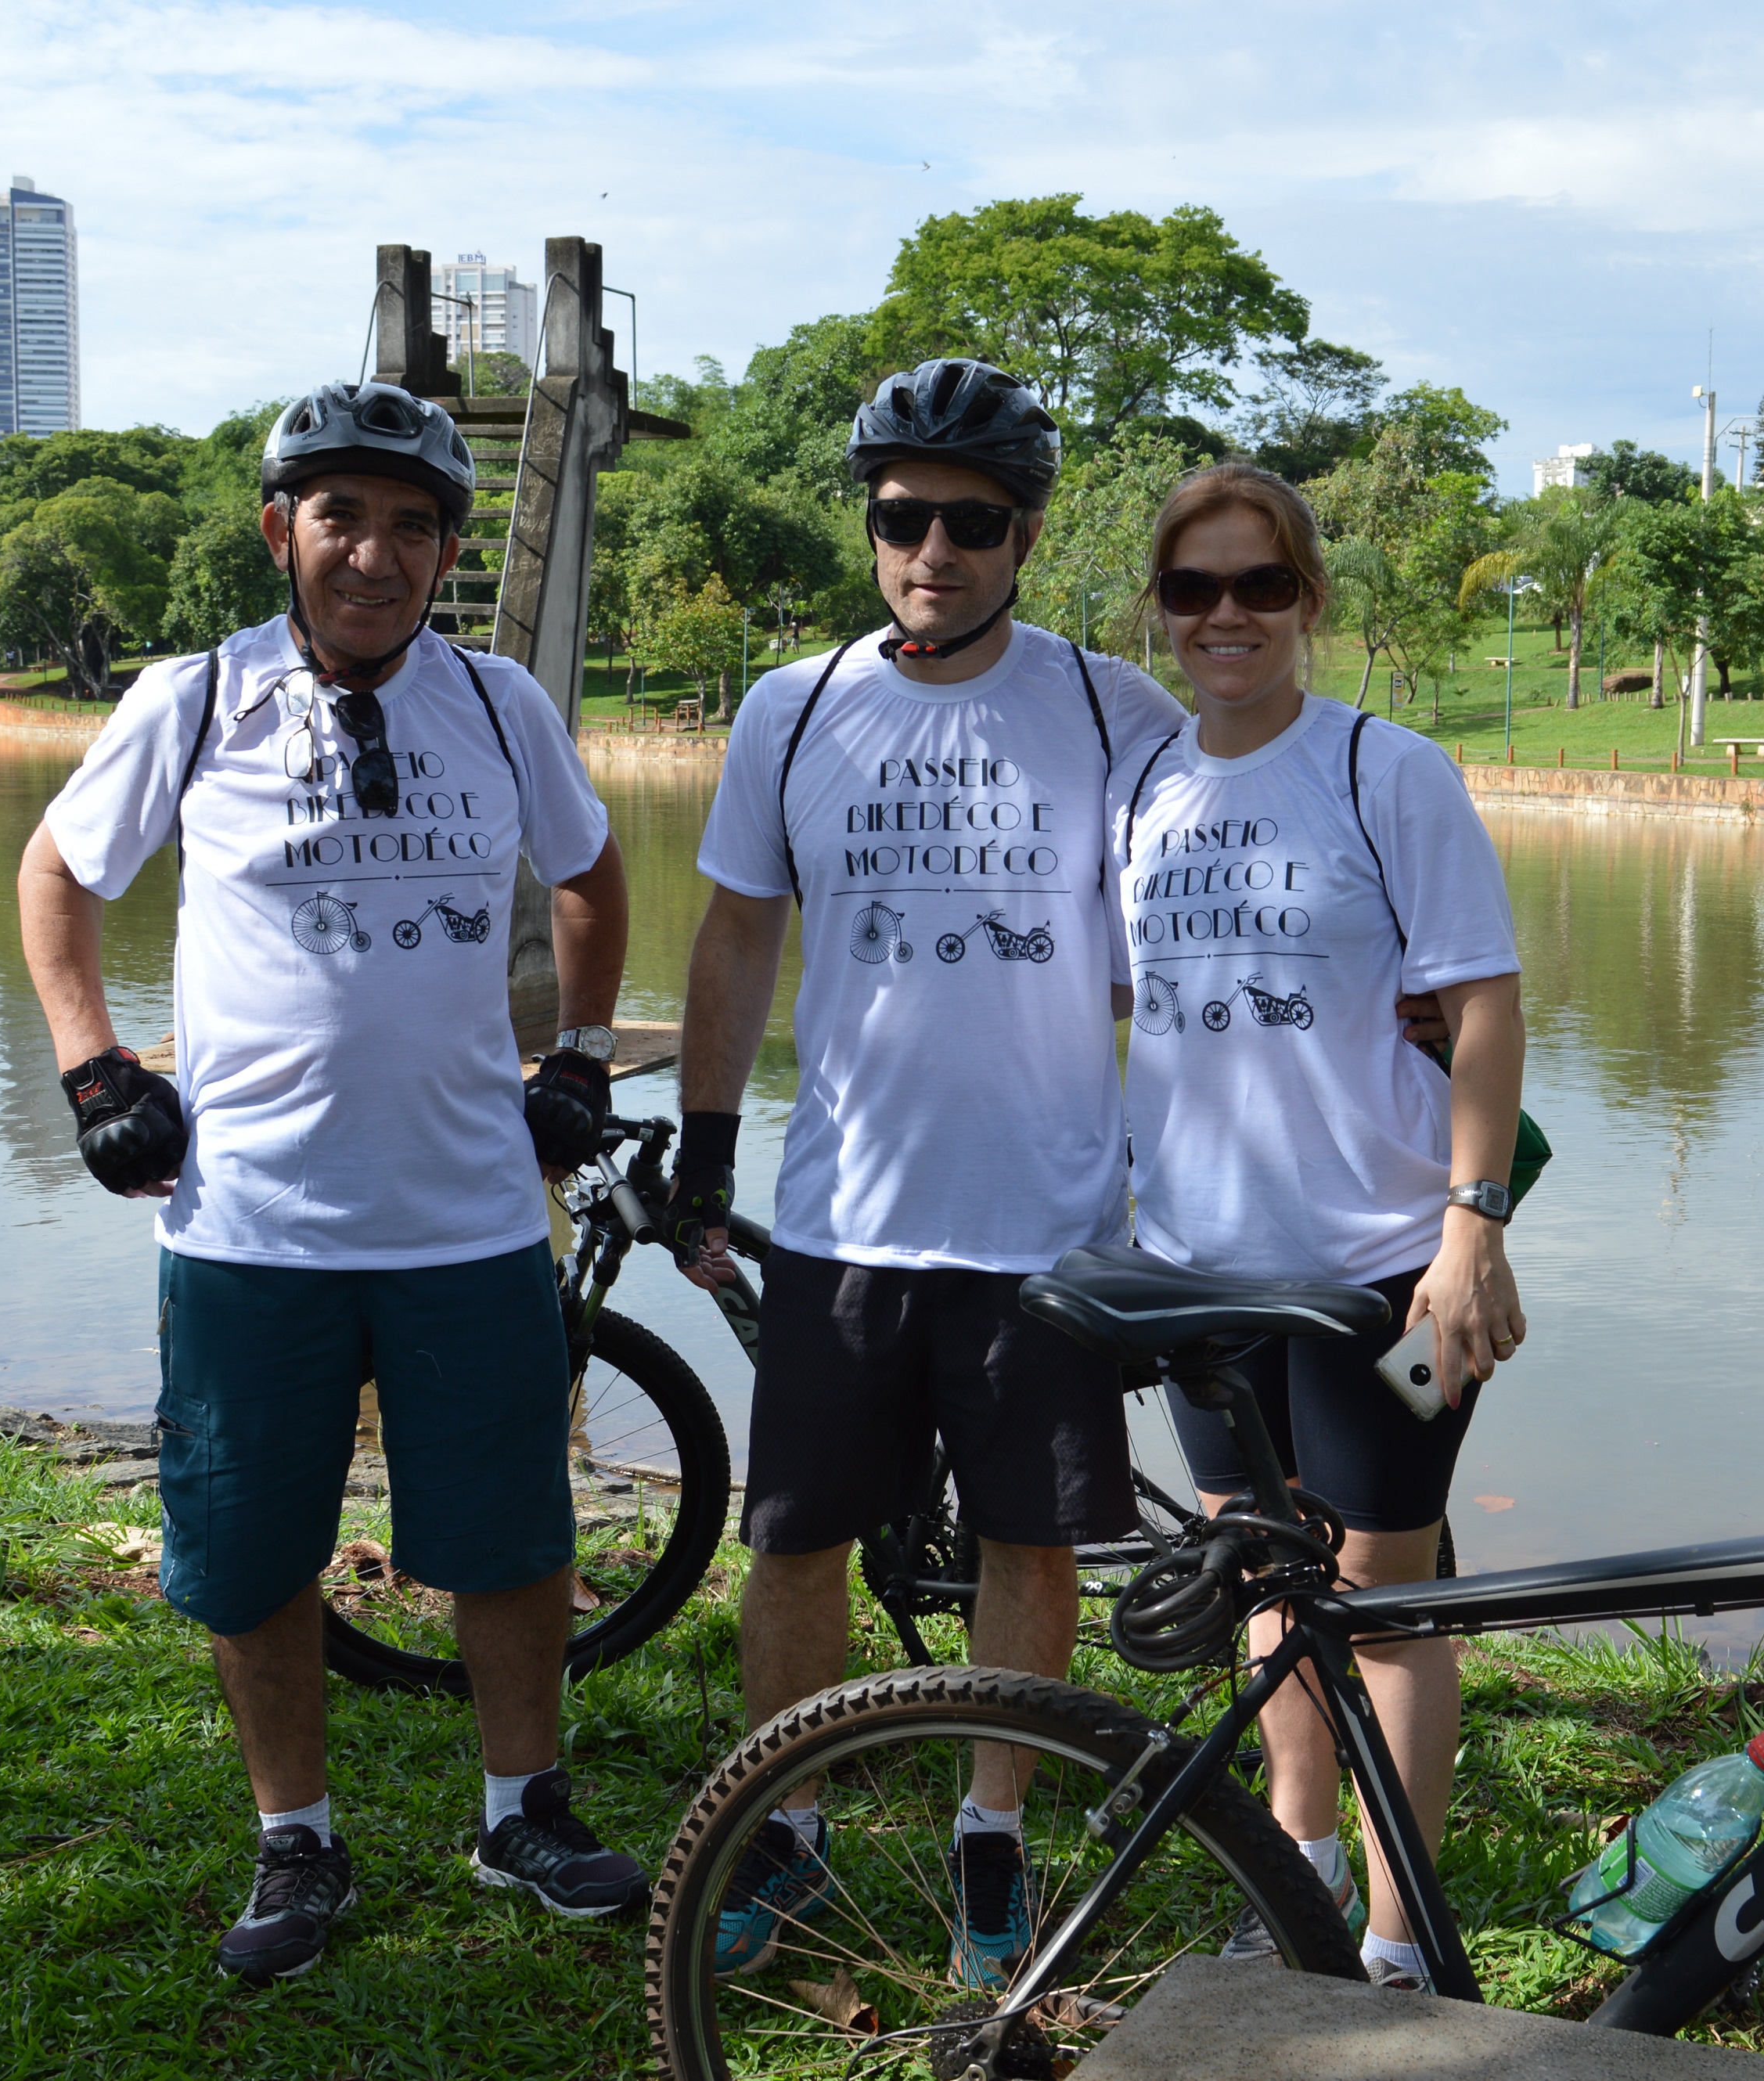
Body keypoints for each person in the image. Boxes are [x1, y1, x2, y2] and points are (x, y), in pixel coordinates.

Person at [16, 380, 646, 1984]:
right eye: (340, 515)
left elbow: (587, 872)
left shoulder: (499, 705)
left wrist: (575, 1051)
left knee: (508, 1537)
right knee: (252, 1545)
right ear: (279, 529)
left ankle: (521, 1807)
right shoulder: (195, 697)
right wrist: (97, 1071)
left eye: (412, 525)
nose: (374, 553)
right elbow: (56, 874)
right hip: (250, 1223)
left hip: (471, 1216)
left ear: (446, 548)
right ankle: (293, 1837)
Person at [662, 358, 1190, 1990]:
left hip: (1042, 1221)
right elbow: (740, 930)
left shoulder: (1116, 708)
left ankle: (992, 1839)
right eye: (901, 518)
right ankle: (791, 1822)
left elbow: (1207, 927)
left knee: (1032, 1545)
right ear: (871, 524)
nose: (932, 550)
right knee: (796, 1541)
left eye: (969, 521)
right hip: (842, 1216)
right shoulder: (793, 706)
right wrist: (702, 1144)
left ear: (1024, 532)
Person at [1109, 462, 1527, 1993]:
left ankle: (1402, 1929)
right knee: (1258, 1577)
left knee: (1386, 1594)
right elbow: (1121, 1001)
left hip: (1380, 1264)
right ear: (1160, 610)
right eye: (1194, 589)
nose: (1226, 616)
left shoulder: (1382, 770)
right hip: (1197, 1265)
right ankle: (1292, 1872)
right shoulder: (1145, 785)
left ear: (1307, 601)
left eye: (1258, 586)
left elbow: (1480, 1001)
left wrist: (1468, 1227)